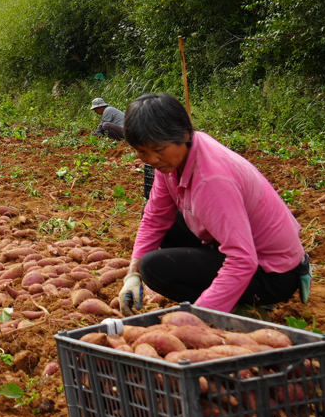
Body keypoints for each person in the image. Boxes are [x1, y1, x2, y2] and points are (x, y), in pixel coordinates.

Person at [118, 93, 309, 316]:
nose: (151, 160)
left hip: (273, 273)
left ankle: (241, 307)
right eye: (142, 152)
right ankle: (227, 298)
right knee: (165, 228)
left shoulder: (211, 180)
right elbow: (155, 218)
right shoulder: (177, 159)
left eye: (158, 150)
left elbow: (242, 259)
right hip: (242, 250)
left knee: (154, 268)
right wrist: (132, 274)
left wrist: (200, 315)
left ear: (184, 133)